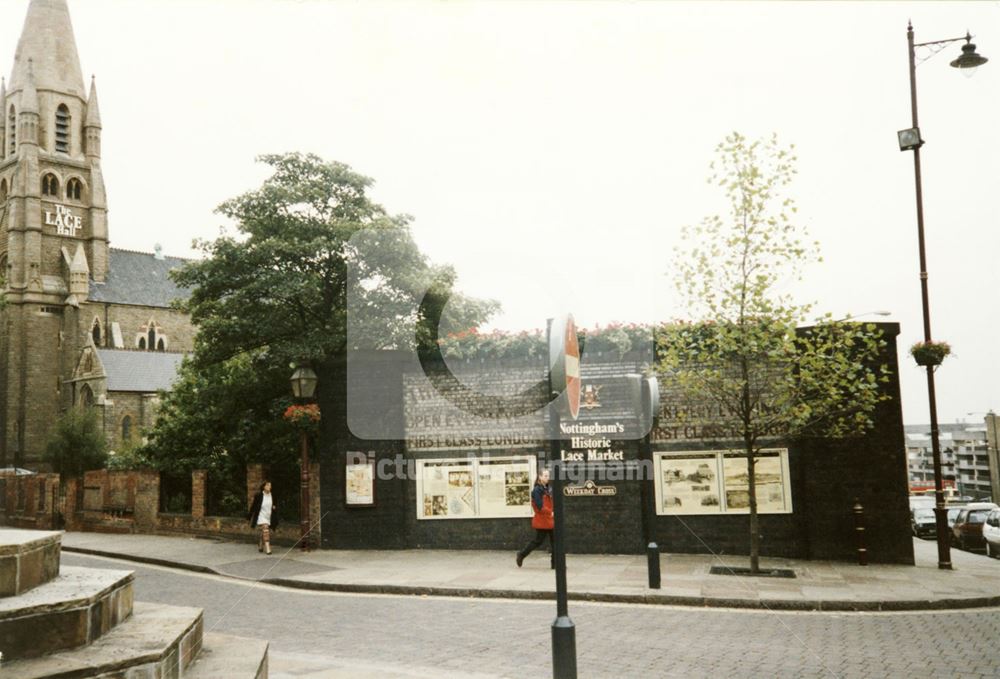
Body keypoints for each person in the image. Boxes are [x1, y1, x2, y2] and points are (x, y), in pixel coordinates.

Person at [516, 468, 554, 568]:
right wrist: (551, 512)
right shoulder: (537, 490)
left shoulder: (547, 488)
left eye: (548, 476)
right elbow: (539, 506)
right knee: (537, 541)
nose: (547, 478)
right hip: (543, 520)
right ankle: (521, 554)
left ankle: (555, 564)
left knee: (555, 541)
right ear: (540, 477)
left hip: (550, 519)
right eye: (545, 476)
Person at [248, 481, 279, 555]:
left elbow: (275, 504)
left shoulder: (273, 495)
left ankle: (261, 542)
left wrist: (274, 507)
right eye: (268, 485)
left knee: (265, 531)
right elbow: (254, 506)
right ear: (263, 487)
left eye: (270, 485)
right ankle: (268, 547)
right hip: (261, 516)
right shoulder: (259, 495)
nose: (269, 487)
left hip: (269, 515)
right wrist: (249, 516)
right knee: (265, 529)